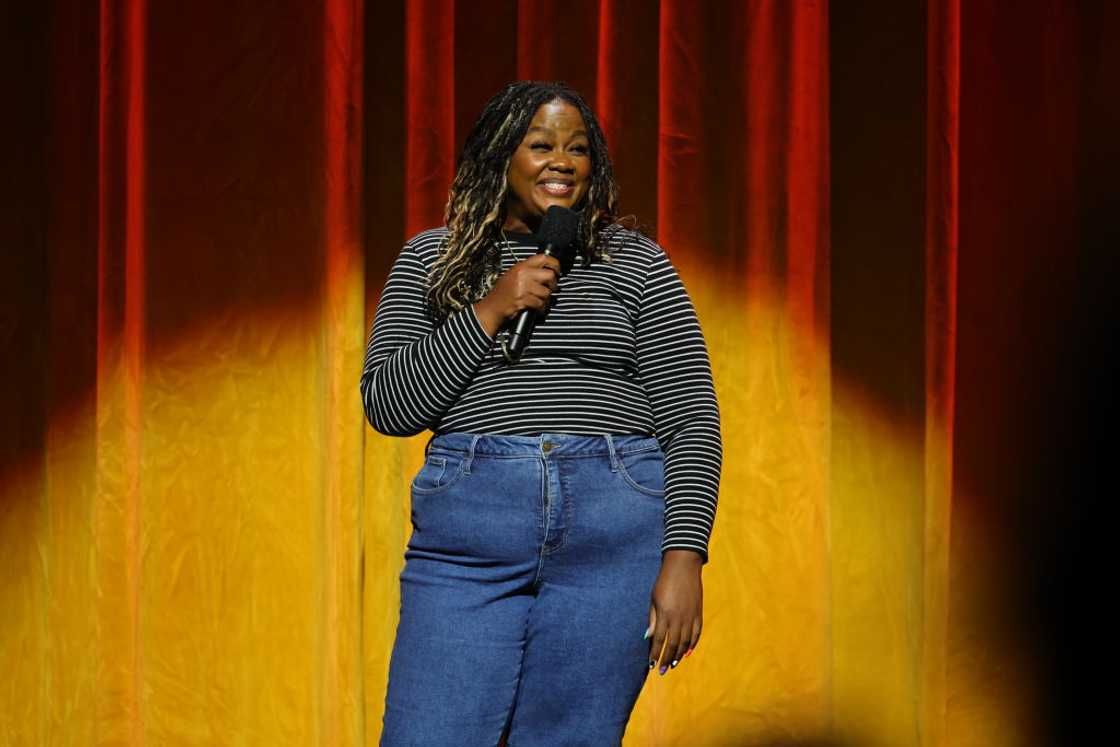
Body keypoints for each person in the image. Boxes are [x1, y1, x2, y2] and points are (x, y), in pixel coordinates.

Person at [360, 80, 722, 746]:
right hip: (470, 539)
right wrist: (489, 310)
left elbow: (692, 419)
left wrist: (684, 556)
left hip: (612, 536)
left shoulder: (637, 264)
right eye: (541, 144)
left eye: (579, 148)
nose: (563, 161)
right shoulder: (431, 259)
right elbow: (389, 404)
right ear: (501, 156)